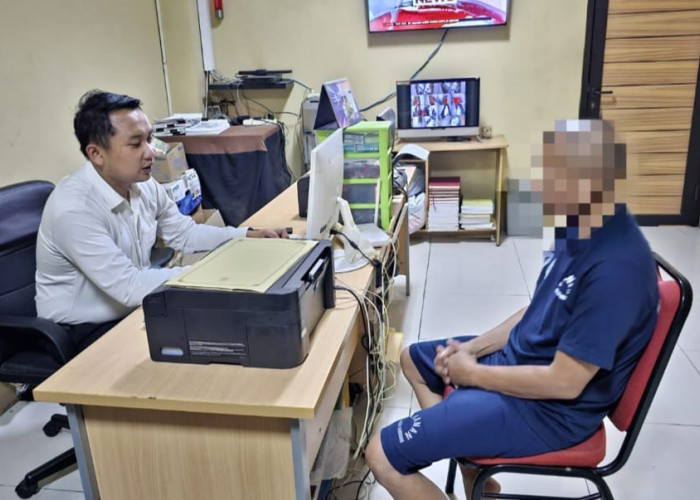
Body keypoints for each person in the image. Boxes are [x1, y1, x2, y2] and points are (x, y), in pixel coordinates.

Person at [365, 119, 659, 500]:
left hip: (548, 412)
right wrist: (473, 350)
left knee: (381, 455)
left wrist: (474, 376)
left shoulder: (616, 270)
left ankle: (465, 444)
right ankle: (476, 472)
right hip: (519, 363)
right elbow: (536, 310)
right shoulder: (585, 226)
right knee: (414, 360)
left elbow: (564, 382)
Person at [35, 90, 287, 346]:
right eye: (136, 144)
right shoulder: (74, 209)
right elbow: (129, 286)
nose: (151, 152)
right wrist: (215, 273)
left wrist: (244, 236)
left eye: (149, 139)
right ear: (96, 154)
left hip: (134, 305)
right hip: (81, 329)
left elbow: (185, 234)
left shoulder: (142, 184)